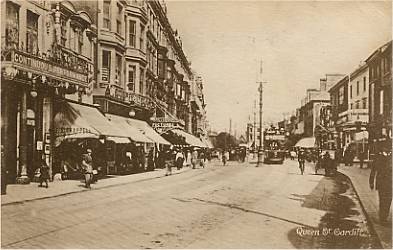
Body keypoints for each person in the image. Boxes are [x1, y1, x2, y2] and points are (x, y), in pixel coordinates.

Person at [369, 142, 392, 224]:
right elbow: (373, 170)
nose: (388, 150)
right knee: (382, 199)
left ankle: (385, 215)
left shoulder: (392, 157)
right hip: (381, 182)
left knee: (389, 200)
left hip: (390, 183)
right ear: (383, 149)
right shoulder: (378, 157)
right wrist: (371, 182)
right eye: (386, 148)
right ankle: (382, 217)